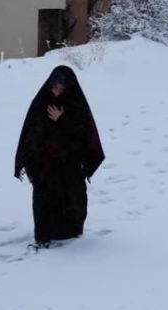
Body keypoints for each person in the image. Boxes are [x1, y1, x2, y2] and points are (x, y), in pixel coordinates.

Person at [14, 66, 105, 249]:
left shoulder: (76, 104)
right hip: (45, 165)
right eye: (54, 86)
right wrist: (29, 160)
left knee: (71, 199)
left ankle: (70, 234)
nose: (56, 90)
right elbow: (30, 132)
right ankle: (44, 235)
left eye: (60, 87)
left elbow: (84, 135)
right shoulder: (41, 102)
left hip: (70, 164)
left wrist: (62, 119)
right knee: (44, 200)